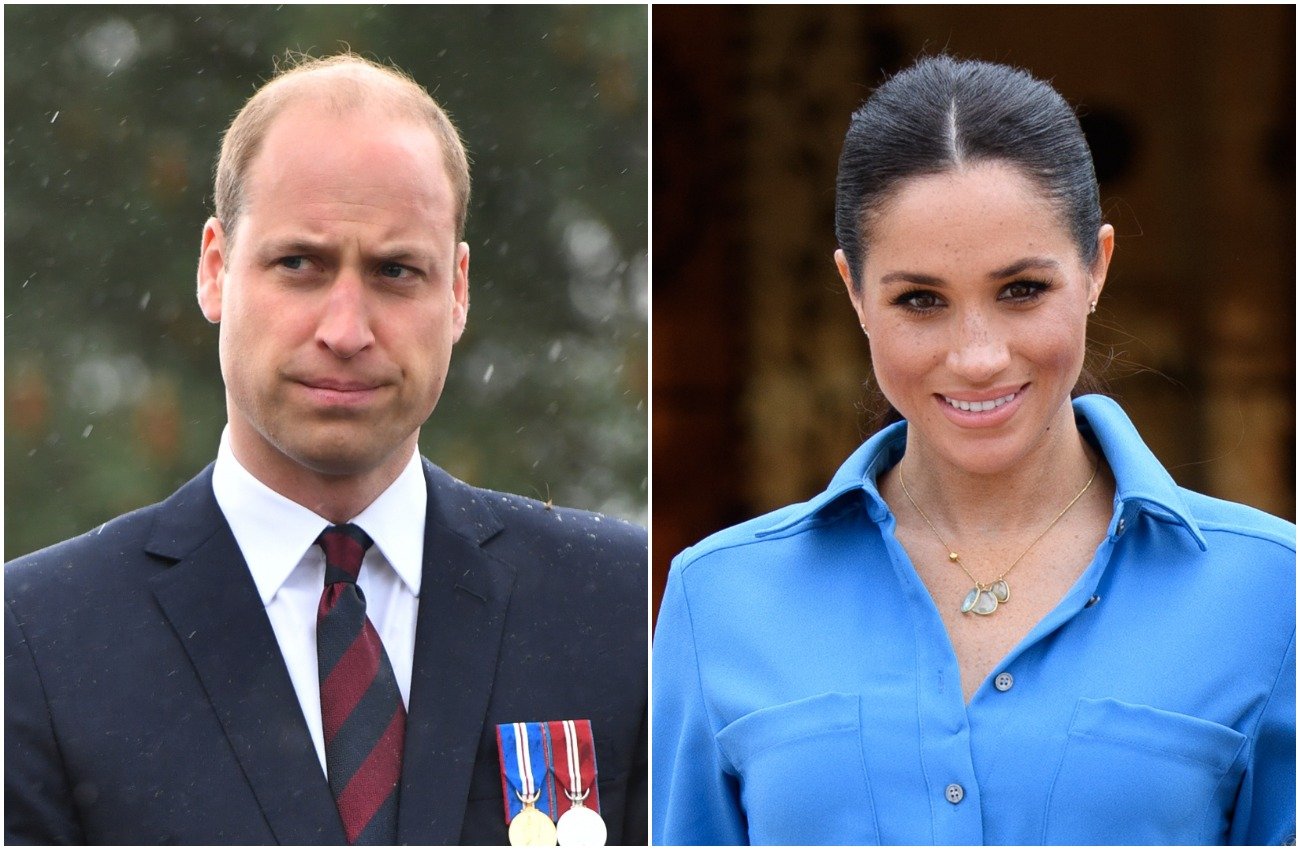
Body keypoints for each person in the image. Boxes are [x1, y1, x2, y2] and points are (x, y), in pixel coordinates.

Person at [652, 55, 1294, 846]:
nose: (978, 355)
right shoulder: (717, 599)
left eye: (1021, 290)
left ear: (1096, 268)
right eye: (920, 300)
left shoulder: (1273, 593)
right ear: (854, 292)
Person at [6, 53, 646, 845]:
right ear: (214, 269)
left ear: (458, 290)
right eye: (300, 264)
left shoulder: (622, 606)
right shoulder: (37, 642)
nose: (346, 330)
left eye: (396, 270)